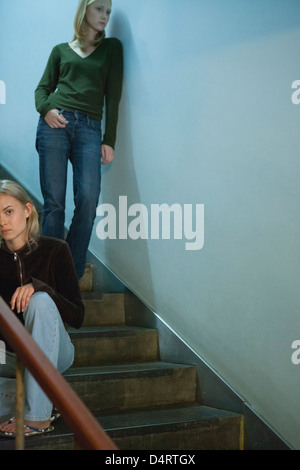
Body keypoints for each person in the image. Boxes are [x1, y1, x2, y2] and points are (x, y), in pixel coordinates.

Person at [35, 0, 123, 280]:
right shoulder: (60, 50)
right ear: (84, 9)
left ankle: (68, 277)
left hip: (89, 129)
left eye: (108, 11)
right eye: (99, 9)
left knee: (87, 201)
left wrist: (109, 139)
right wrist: (47, 109)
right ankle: (48, 274)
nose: (104, 16)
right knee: (54, 204)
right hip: (55, 124)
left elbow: (114, 96)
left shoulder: (112, 49)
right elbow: (42, 89)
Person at [0, 180, 84, 438]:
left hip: (54, 350)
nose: (2, 220)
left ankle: (37, 417)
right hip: (10, 357)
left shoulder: (55, 250)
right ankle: (51, 396)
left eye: (8, 211)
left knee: (40, 301)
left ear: (27, 210)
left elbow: (77, 316)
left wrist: (41, 288)